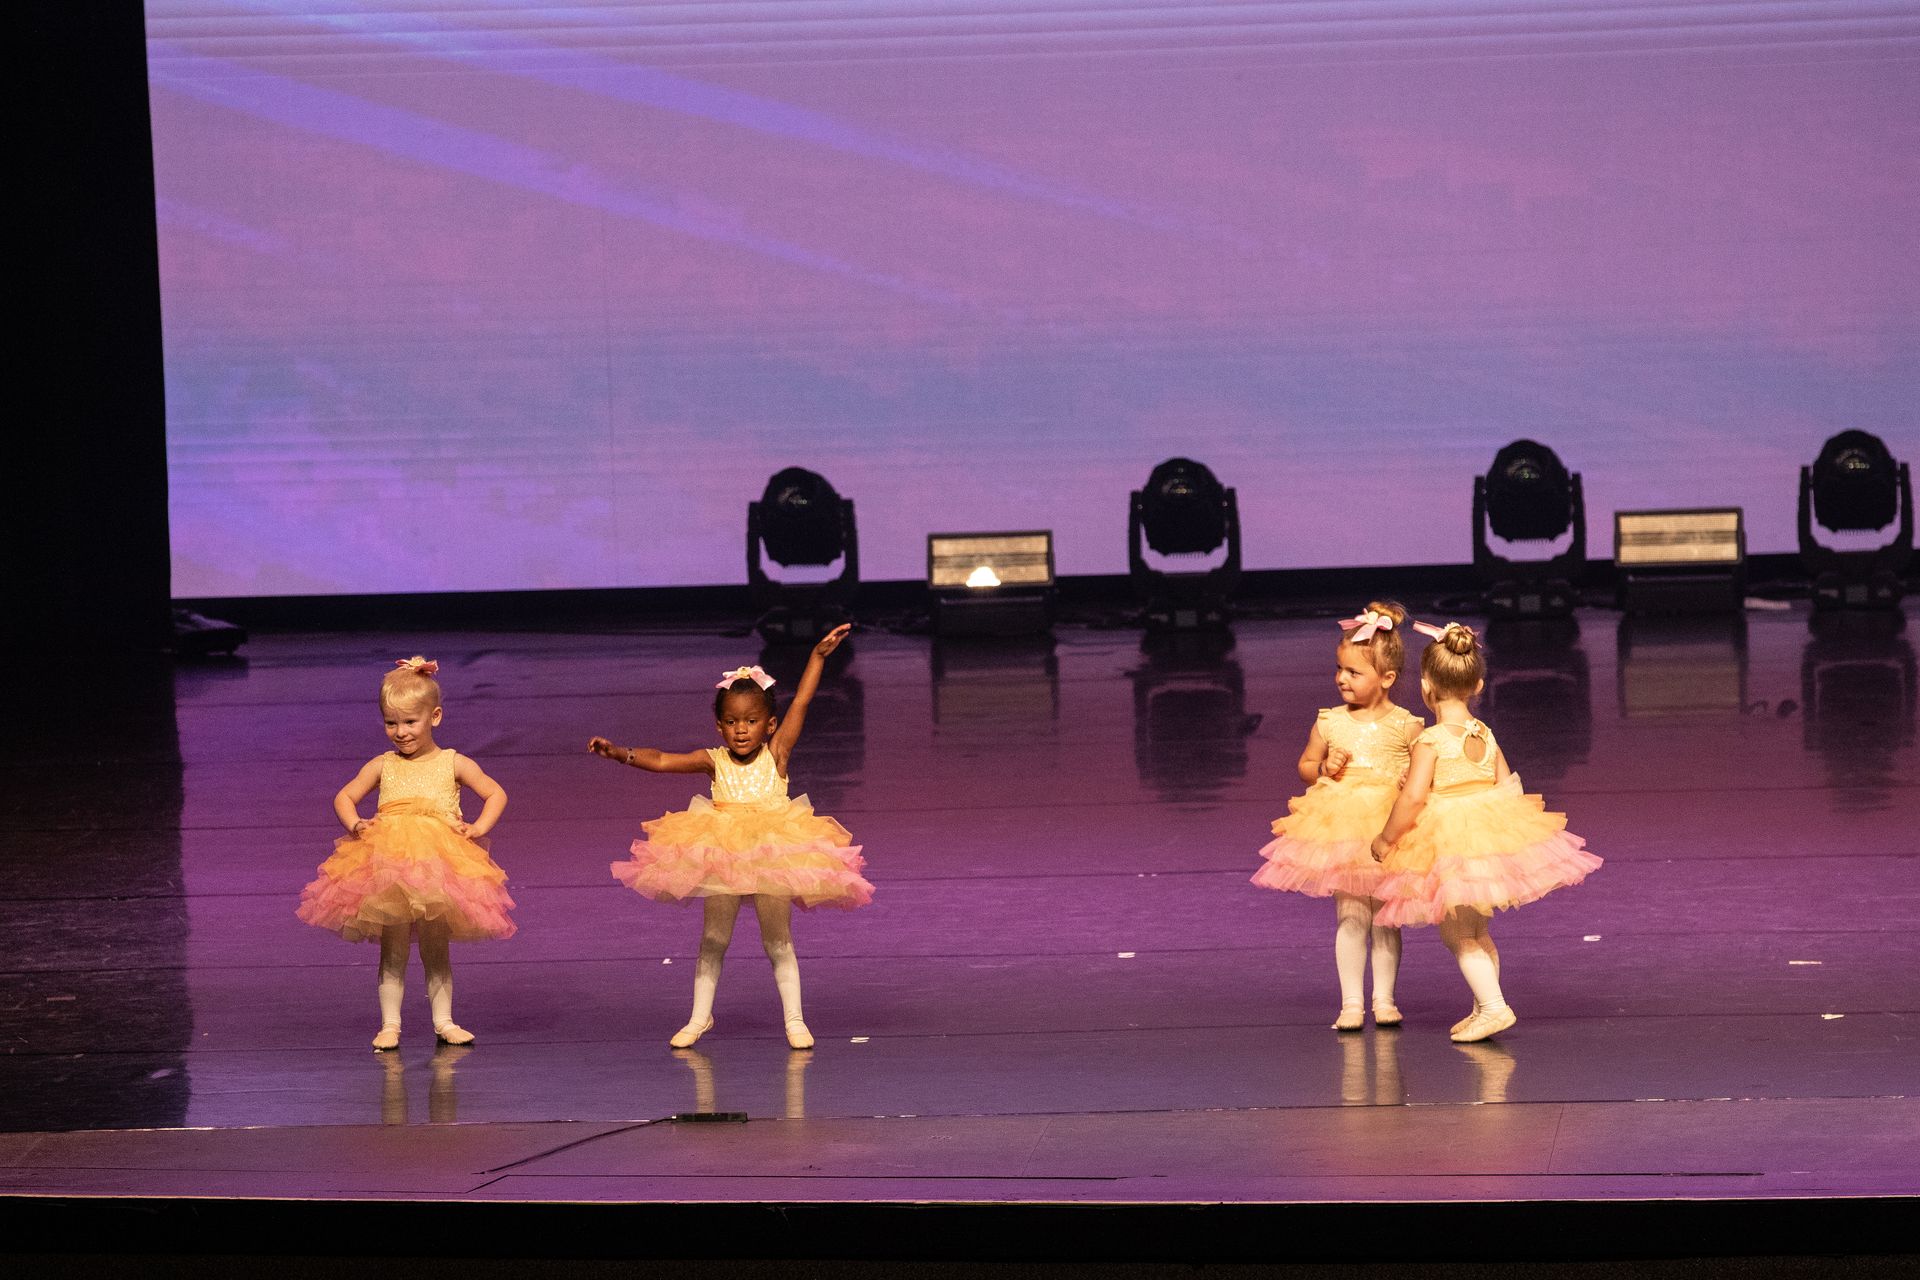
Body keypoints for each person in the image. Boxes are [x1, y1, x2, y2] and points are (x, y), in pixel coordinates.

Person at [591, 624, 870, 1050]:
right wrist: (620, 753)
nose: (742, 730)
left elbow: (803, 702)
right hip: (721, 849)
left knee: (777, 938)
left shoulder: (777, 753)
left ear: (769, 723)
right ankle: (700, 1017)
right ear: (719, 726)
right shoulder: (713, 760)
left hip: (773, 848)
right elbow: (664, 759)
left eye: (752, 721)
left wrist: (817, 657)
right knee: (714, 938)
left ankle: (794, 1019)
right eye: (732, 721)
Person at [1371, 622, 1602, 1043]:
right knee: (1477, 930)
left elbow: (1413, 797)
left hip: (1451, 840)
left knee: (1458, 933)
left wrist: (1387, 837)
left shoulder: (1430, 740)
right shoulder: (1486, 733)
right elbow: (1506, 783)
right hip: (1483, 836)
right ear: (1477, 684)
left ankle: (1494, 1007)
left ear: (1425, 686)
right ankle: (1483, 1006)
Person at [298, 657, 513, 1050]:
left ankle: (444, 1021)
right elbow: (345, 796)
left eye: (410, 722)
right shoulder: (383, 765)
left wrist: (478, 828)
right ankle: (390, 1024)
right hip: (390, 866)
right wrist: (356, 824)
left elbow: (495, 792)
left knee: (436, 945)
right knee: (392, 946)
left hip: (437, 866)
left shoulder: (453, 763)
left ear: (435, 716)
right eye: (391, 723)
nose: (400, 732)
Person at [1253, 603, 1424, 1030]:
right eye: (1340, 669)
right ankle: (1351, 1003)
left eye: (1353, 672)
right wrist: (1324, 768)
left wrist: (1407, 777)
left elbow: (1423, 775)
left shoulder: (1406, 725)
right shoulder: (1329, 722)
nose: (1341, 679)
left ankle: (1384, 999)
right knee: (1351, 915)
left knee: (1386, 919)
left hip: (1387, 827)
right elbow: (1305, 766)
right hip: (1344, 827)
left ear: (1386, 679)